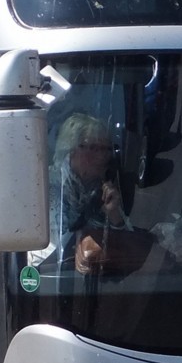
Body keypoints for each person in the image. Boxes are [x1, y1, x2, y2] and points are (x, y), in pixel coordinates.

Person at [32, 112, 133, 271]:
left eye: (106, 149)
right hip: (45, 279)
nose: (102, 156)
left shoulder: (103, 191)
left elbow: (130, 249)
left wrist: (115, 216)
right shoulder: (44, 188)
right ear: (70, 149)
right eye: (93, 148)